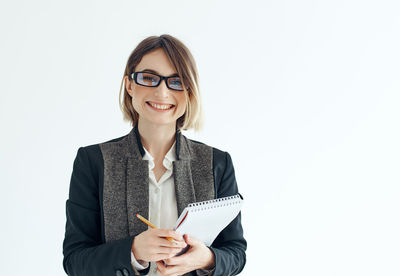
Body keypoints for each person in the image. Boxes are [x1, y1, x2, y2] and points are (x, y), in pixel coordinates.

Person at [62, 34, 246, 276]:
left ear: (189, 92)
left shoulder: (217, 163)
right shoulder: (94, 161)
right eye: (149, 78)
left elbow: (236, 253)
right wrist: (133, 251)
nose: (162, 92)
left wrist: (207, 259)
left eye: (176, 81)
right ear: (129, 85)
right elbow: (75, 261)